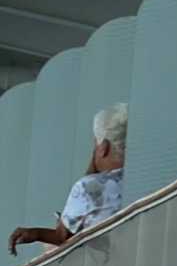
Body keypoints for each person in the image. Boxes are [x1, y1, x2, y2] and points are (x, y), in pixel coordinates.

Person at [7, 102, 126, 256]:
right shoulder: (139, 180)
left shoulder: (87, 188)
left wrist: (36, 233)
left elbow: (61, 236)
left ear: (102, 147)